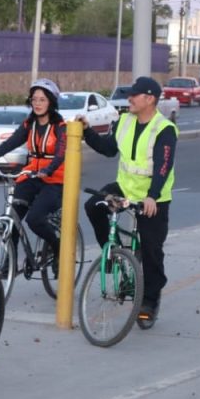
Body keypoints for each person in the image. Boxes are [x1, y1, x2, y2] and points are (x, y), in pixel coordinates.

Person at [81, 76, 178, 324]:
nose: (130, 98)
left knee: (151, 248)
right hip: (124, 187)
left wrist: (152, 196)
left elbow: (163, 167)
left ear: (150, 99)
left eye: (135, 95)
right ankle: (112, 254)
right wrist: (86, 131)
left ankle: (150, 300)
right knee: (93, 205)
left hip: (152, 196)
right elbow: (108, 149)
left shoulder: (164, 129)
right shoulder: (124, 120)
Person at [0, 79, 68, 275]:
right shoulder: (29, 123)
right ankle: (10, 262)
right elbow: (9, 143)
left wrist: (49, 169)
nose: (37, 103)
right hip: (31, 175)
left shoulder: (60, 125)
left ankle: (58, 248)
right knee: (14, 216)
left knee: (35, 219)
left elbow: (61, 153)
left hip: (54, 180)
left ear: (51, 101)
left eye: (42, 99)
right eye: (34, 99)